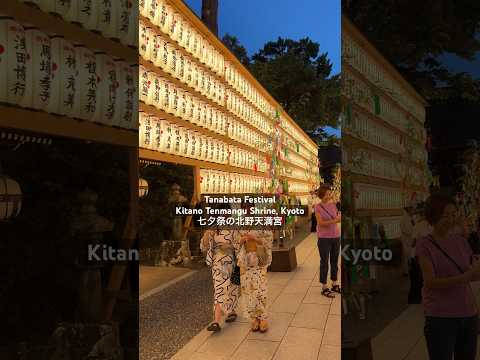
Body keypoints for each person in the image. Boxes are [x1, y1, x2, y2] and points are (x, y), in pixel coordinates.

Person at [416, 193, 480, 360]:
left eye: (453, 215)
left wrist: (475, 273)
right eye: (445, 215)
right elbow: (430, 282)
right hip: (440, 316)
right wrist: (465, 278)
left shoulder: (460, 241)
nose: (450, 219)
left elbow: (471, 272)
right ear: (433, 216)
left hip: (468, 313)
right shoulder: (425, 244)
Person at [200, 223, 240, 332]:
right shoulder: (213, 228)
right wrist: (207, 235)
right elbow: (204, 247)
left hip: (231, 261)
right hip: (217, 263)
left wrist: (230, 246)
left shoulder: (234, 228)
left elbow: (239, 244)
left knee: (231, 287)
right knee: (220, 288)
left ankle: (231, 311)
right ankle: (216, 321)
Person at [237, 228, 273, 333]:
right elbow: (234, 242)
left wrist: (255, 239)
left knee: (261, 290)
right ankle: (254, 318)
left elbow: (269, 239)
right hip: (245, 261)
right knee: (248, 291)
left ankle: (262, 318)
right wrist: (241, 240)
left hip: (259, 259)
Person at [315, 184, 341, 298]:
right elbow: (320, 223)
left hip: (336, 236)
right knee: (324, 262)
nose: (329, 196)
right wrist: (335, 221)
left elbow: (339, 216)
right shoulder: (318, 207)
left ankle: (334, 284)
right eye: (326, 194)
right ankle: (324, 287)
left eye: (330, 194)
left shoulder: (335, 205)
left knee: (334, 261)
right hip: (324, 238)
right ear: (321, 195)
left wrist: (337, 218)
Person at [400, 203, 415, 276]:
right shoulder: (404, 218)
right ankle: (406, 271)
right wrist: (413, 231)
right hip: (406, 239)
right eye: (412, 209)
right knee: (406, 255)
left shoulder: (410, 218)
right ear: (408, 210)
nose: (413, 211)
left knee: (409, 255)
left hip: (410, 239)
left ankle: (409, 269)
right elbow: (406, 230)